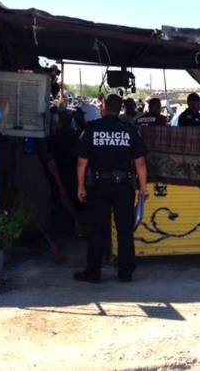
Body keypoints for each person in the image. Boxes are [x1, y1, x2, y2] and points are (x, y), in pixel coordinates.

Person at [75, 94, 148, 283]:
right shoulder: (129, 130)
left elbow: (82, 162)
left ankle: (93, 272)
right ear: (120, 108)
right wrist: (142, 187)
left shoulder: (92, 129)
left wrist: (81, 186)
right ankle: (126, 272)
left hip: (99, 186)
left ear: (104, 107)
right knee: (125, 229)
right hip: (124, 186)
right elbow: (140, 162)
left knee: (97, 230)